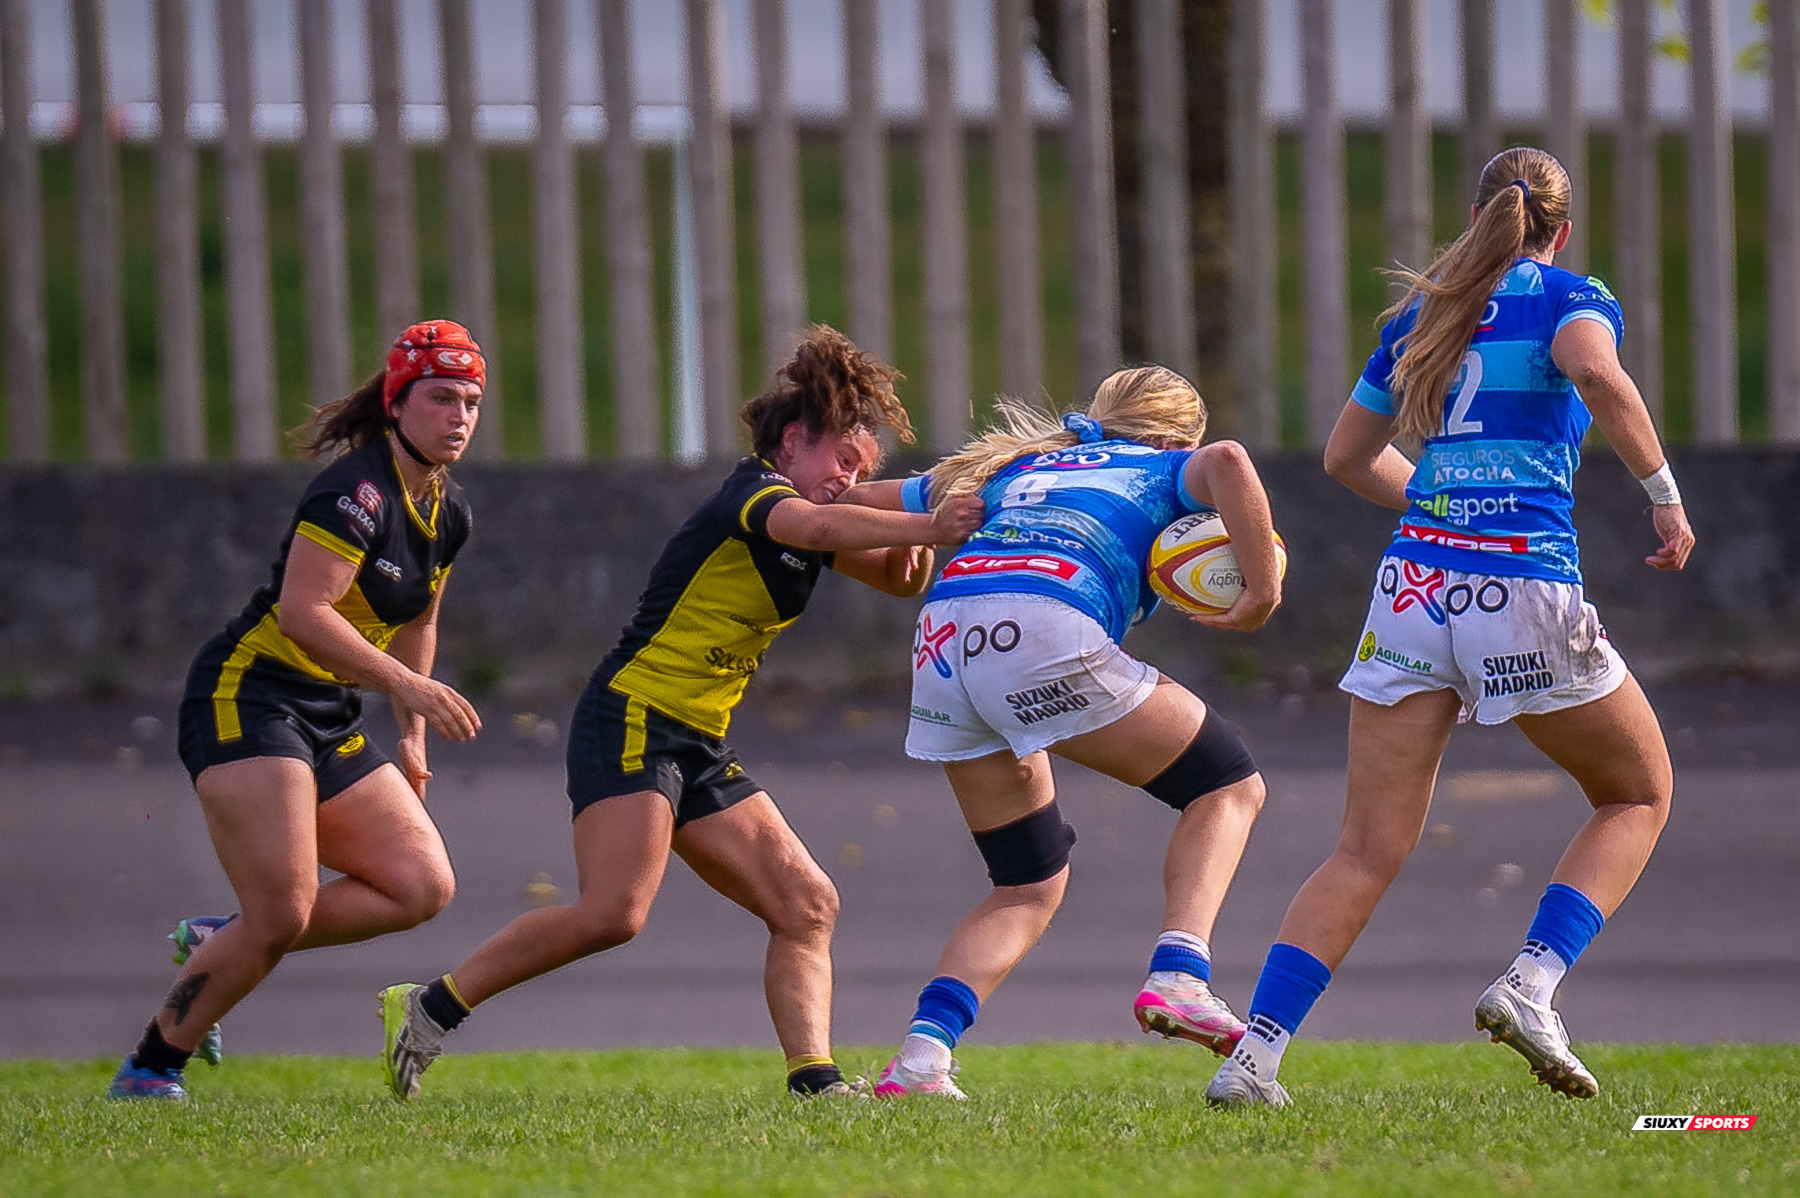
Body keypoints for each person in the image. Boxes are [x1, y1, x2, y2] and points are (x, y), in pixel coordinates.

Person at [1207, 147, 1695, 1109]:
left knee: (1364, 846)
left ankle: (1253, 1056)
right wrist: (1666, 497)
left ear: (1476, 217)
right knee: (1637, 793)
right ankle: (1533, 983)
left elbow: (1349, 456)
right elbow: (1595, 376)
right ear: (1559, 230)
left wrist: (1436, 503)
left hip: (1413, 593)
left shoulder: (1422, 315)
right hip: (1520, 586)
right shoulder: (1571, 293)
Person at [378, 326, 983, 1101]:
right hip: (634, 715)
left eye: (860, 471)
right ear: (792, 440)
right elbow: (825, 527)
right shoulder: (758, 497)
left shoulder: (812, 504)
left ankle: (817, 1085)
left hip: (695, 737)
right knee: (613, 913)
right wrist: (930, 521)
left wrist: (918, 517)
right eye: (840, 461)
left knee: (806, 903)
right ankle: (428, 1008)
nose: (846, 480)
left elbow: (897, 579)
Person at [850, 365, 1282, 1099]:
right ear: (1177, 433)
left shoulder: (1011, 464)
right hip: (1042, 619)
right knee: (1228, 786)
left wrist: (903, 558)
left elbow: (854, 505)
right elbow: (1232, 463)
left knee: (1027, 879)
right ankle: (1181, 976)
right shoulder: (1167, 464)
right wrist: (1263, 591)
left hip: (942, 641)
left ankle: (922, 1061)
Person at [108, 321, 489, 1100]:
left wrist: (411, 734)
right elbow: (303, 614)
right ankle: (150, 1070)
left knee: (419, 885)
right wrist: (411, 690)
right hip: (249, 696)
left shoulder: (447, 512)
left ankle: (221, 941)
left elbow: (419, 620)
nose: (458, 417)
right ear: (397, 402)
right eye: (441, 398)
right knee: (281, 909)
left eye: (472, 402)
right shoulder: (356, 490)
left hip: (328, 711)